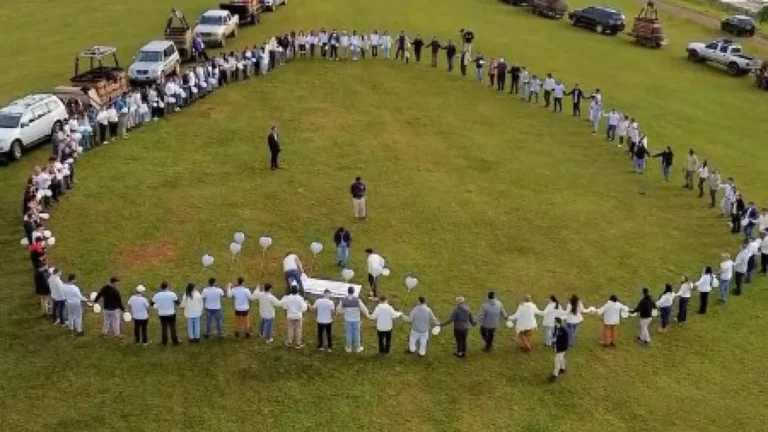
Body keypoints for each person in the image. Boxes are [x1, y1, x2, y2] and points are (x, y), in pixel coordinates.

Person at [338, 286, 370, 352]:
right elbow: (363, 308)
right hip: (356, 320)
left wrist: (342, 312)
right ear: (353, 292)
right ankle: (357, 348)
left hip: (347, 320)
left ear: (348, 291)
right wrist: (367, 314)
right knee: (357, 333)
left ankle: (348, 348)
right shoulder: (357, 300)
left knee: (348, 333)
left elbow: (339, 310)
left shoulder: (344, 300)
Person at [151, 282, 180, 346]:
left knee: (164, 328)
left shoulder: (157, 295)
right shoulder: (172, 294)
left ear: (161, 287)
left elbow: (151, 303)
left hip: (162, 314)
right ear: (167, 287)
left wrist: (157, 306)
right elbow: (178, 303)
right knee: (172, 328)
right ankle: (175, 341)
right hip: (171, 313)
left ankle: (164, 342)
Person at [549, 317, 570, 382]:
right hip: (558, 347)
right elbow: (555, 336)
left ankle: (555, 375)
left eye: (555, 322)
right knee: (561, 358)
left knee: (557, 361)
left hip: (561, 348)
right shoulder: (557, 328)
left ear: (558, 322)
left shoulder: (563, 330)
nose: (554, 323)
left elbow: (566, 341)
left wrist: (562, 349)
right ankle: (562, 369)